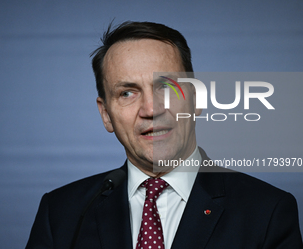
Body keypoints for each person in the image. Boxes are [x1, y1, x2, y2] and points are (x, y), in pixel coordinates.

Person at [25, 21, 303, 249]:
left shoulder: (268, 212)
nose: (151, 108)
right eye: (127, 93)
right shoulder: (61, 213)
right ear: (106, 115)